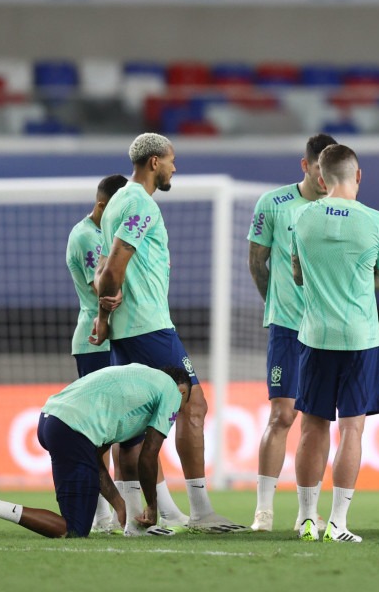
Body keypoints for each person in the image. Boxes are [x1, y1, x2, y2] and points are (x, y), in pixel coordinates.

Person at [91, 132, 247, 533]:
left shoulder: (116, 204)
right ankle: (201, 511)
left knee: (134, 425)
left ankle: (136, 518)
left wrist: (105, 317)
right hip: (149, 327)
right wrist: (105, 315)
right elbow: (112, 269)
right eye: (172, 160)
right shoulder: (140, 204)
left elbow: (104, 274)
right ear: (155, 163)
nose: (175, 167)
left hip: (129, 330)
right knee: (194, 407)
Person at [290, 143, 379, 543]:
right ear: (358, 175)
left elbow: (298, 276)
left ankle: (305, 519)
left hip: (314, 335)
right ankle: (338, 523)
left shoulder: (301, 218)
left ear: (321, 177)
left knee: (311, 429)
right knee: (352, 430)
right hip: (359, 337)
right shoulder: (376, 221)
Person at [247, 133, 336, 533]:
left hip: (327, 330)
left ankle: (309, 510)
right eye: (320, 170)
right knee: (282, 414)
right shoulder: (273, 204)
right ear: (306, 166)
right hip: (287, 327)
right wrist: (276, 302)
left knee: (317, 420)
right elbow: (257, 261)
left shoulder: (342, 209)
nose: (325, 178)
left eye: (331, 172)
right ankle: (264, 509)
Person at [0, 364, 191, 538]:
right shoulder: (171, 392)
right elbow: (148, 457)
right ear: (182, 392)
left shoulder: (139, 381)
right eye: (181, 406)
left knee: (77, 515)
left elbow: (94, 457)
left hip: (50, 421)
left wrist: (119, 504)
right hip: (72, 429)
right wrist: (152, 506)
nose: (178, 412)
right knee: (74, 529)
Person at [65, 173, 127, 531]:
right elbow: (102, 288)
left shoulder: (103, 233)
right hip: (94, 339)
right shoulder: (88, 236)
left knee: (122, 428)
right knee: (98, 431)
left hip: (108, 337)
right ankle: (101, 513)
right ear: (103, 205)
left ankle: (123, 510)